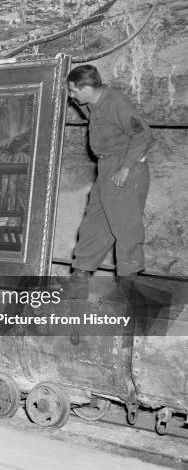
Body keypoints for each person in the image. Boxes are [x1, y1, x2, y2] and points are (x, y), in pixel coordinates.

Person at [63, 65, 153, 304]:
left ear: (88, 88)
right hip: (106, 168)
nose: (71, 96)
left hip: (125, 168)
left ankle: (127, 290)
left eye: (73, 91)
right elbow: (93, 117)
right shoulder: (94, 104)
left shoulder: (116, 103)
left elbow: (143, 134)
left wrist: (125, 168)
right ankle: (79, 279)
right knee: (94, 221)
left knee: (125, 226)